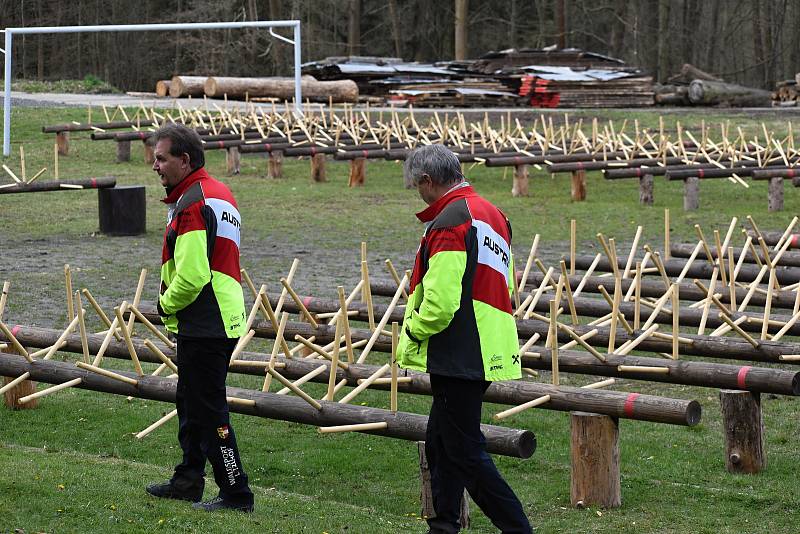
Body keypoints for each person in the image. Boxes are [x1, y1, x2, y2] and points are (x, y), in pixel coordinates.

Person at [397, 144, 533, 534]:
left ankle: (518, 529)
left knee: (465, 451)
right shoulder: (494, 214)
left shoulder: (449, 221)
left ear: (428, 180)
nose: (417, 193)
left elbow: (440, 302)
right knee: (440, 441)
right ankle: (443, 525)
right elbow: (506, 282)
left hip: (458, 349)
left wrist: (413, 329)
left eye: (416, 186)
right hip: (484, 343)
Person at [145, 123, 254, 513]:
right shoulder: (218, 193)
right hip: (216, 316)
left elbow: (192, 275)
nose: (155, 166)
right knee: (190, 402)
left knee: (209, 411)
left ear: (185, 160)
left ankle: (235, 492)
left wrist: (165, 304)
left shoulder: (193, 204)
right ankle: (188, 479)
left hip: (206, 319)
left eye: (161, 158)